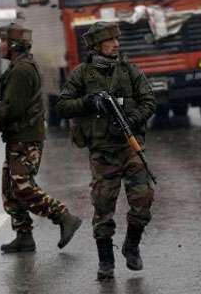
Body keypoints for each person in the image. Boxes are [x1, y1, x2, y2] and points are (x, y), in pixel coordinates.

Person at [56, 22, 156, 280]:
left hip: (130, 147)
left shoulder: (129, 70)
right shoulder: (82, 74)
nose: (116, 44)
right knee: (103, 206)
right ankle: (106, 261)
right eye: (110, 41)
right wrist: (89, 102)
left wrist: (133, 118)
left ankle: (131, 246)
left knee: (143, 199)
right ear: (97, 45)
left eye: (116, 40)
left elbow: (149, 101)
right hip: (102, 152)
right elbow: (63, 105)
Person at [0, 23, 82, 254]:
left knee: (22, 186)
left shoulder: (21, 70)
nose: (0, 45)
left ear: (14, 45)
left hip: (26, 137)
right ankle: (24, 236)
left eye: (3, 41)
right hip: (19, 136)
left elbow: (11, 108)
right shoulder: (18, 66)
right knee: (10, 189)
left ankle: (64, 217)